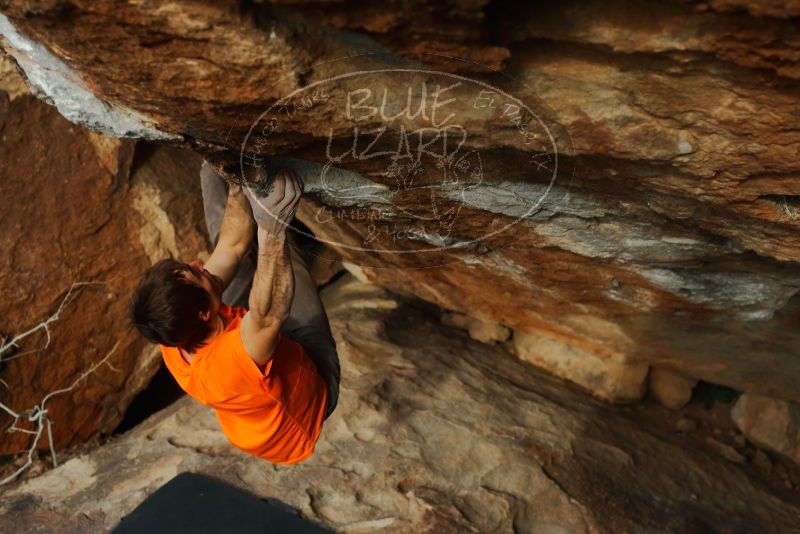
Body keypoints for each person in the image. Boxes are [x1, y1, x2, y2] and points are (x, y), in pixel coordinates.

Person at [129, 163, 340, 465]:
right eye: (197, 274)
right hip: (304, 402)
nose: (199, 264)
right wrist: (273, 227)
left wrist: (236, 174)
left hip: (250, 341)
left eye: (191, 269)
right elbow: (269, 314)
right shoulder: (229, 365)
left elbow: (231, 245)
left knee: (233, 228)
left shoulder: (172, 327)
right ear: (204, 314)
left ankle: (228, 172)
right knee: (278, 250)